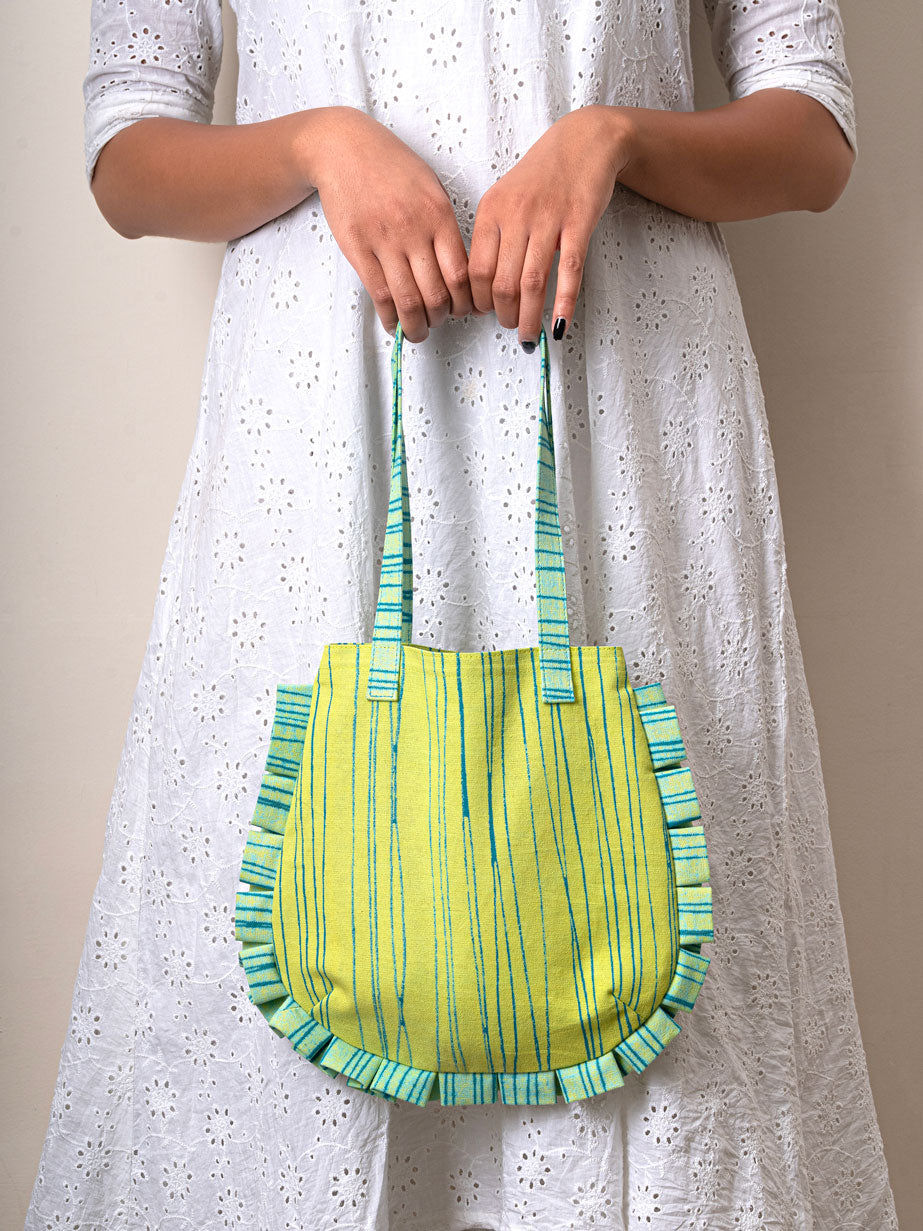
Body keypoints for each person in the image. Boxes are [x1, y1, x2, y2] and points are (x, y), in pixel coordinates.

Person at [26, 1, 898, 1227]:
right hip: (324, 442)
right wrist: (313, 147)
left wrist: (614, 140)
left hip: (624, 439)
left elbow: (811, 130)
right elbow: (127, 151)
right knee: (302, 905)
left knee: (643, 910)